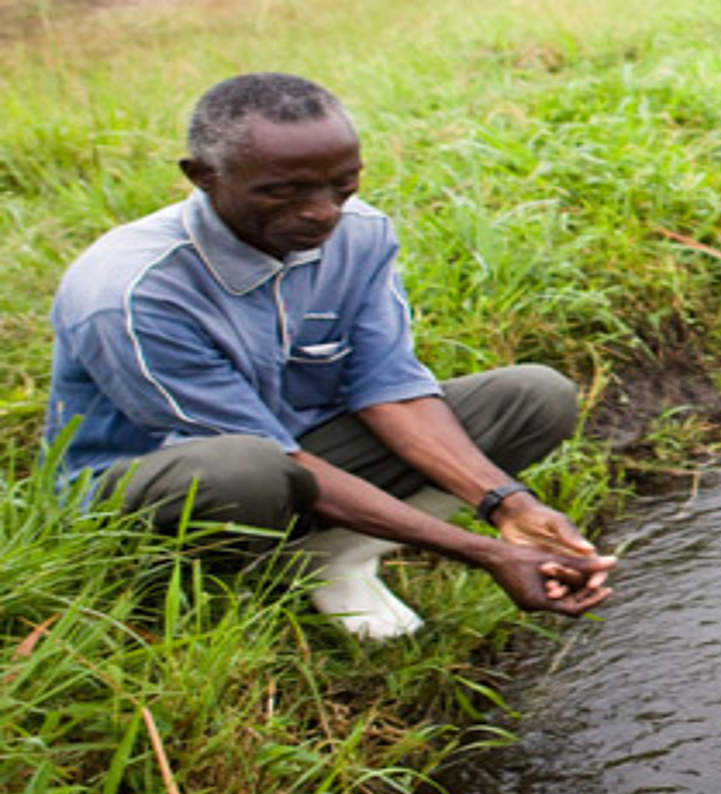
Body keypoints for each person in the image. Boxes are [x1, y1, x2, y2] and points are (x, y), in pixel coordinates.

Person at [43, 72, 616, 639]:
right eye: (284, 191)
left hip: (297, 456)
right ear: (203, 176)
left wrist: (508, 507)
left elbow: (388, 388)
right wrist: (482, 552)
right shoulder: (132, 291)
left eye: (342, 184)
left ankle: (325, 561)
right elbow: (268, 454)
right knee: (248, 469)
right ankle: (206, 591)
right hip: (157, 493)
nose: (323, 212)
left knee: (533, 398)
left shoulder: (359, 235)